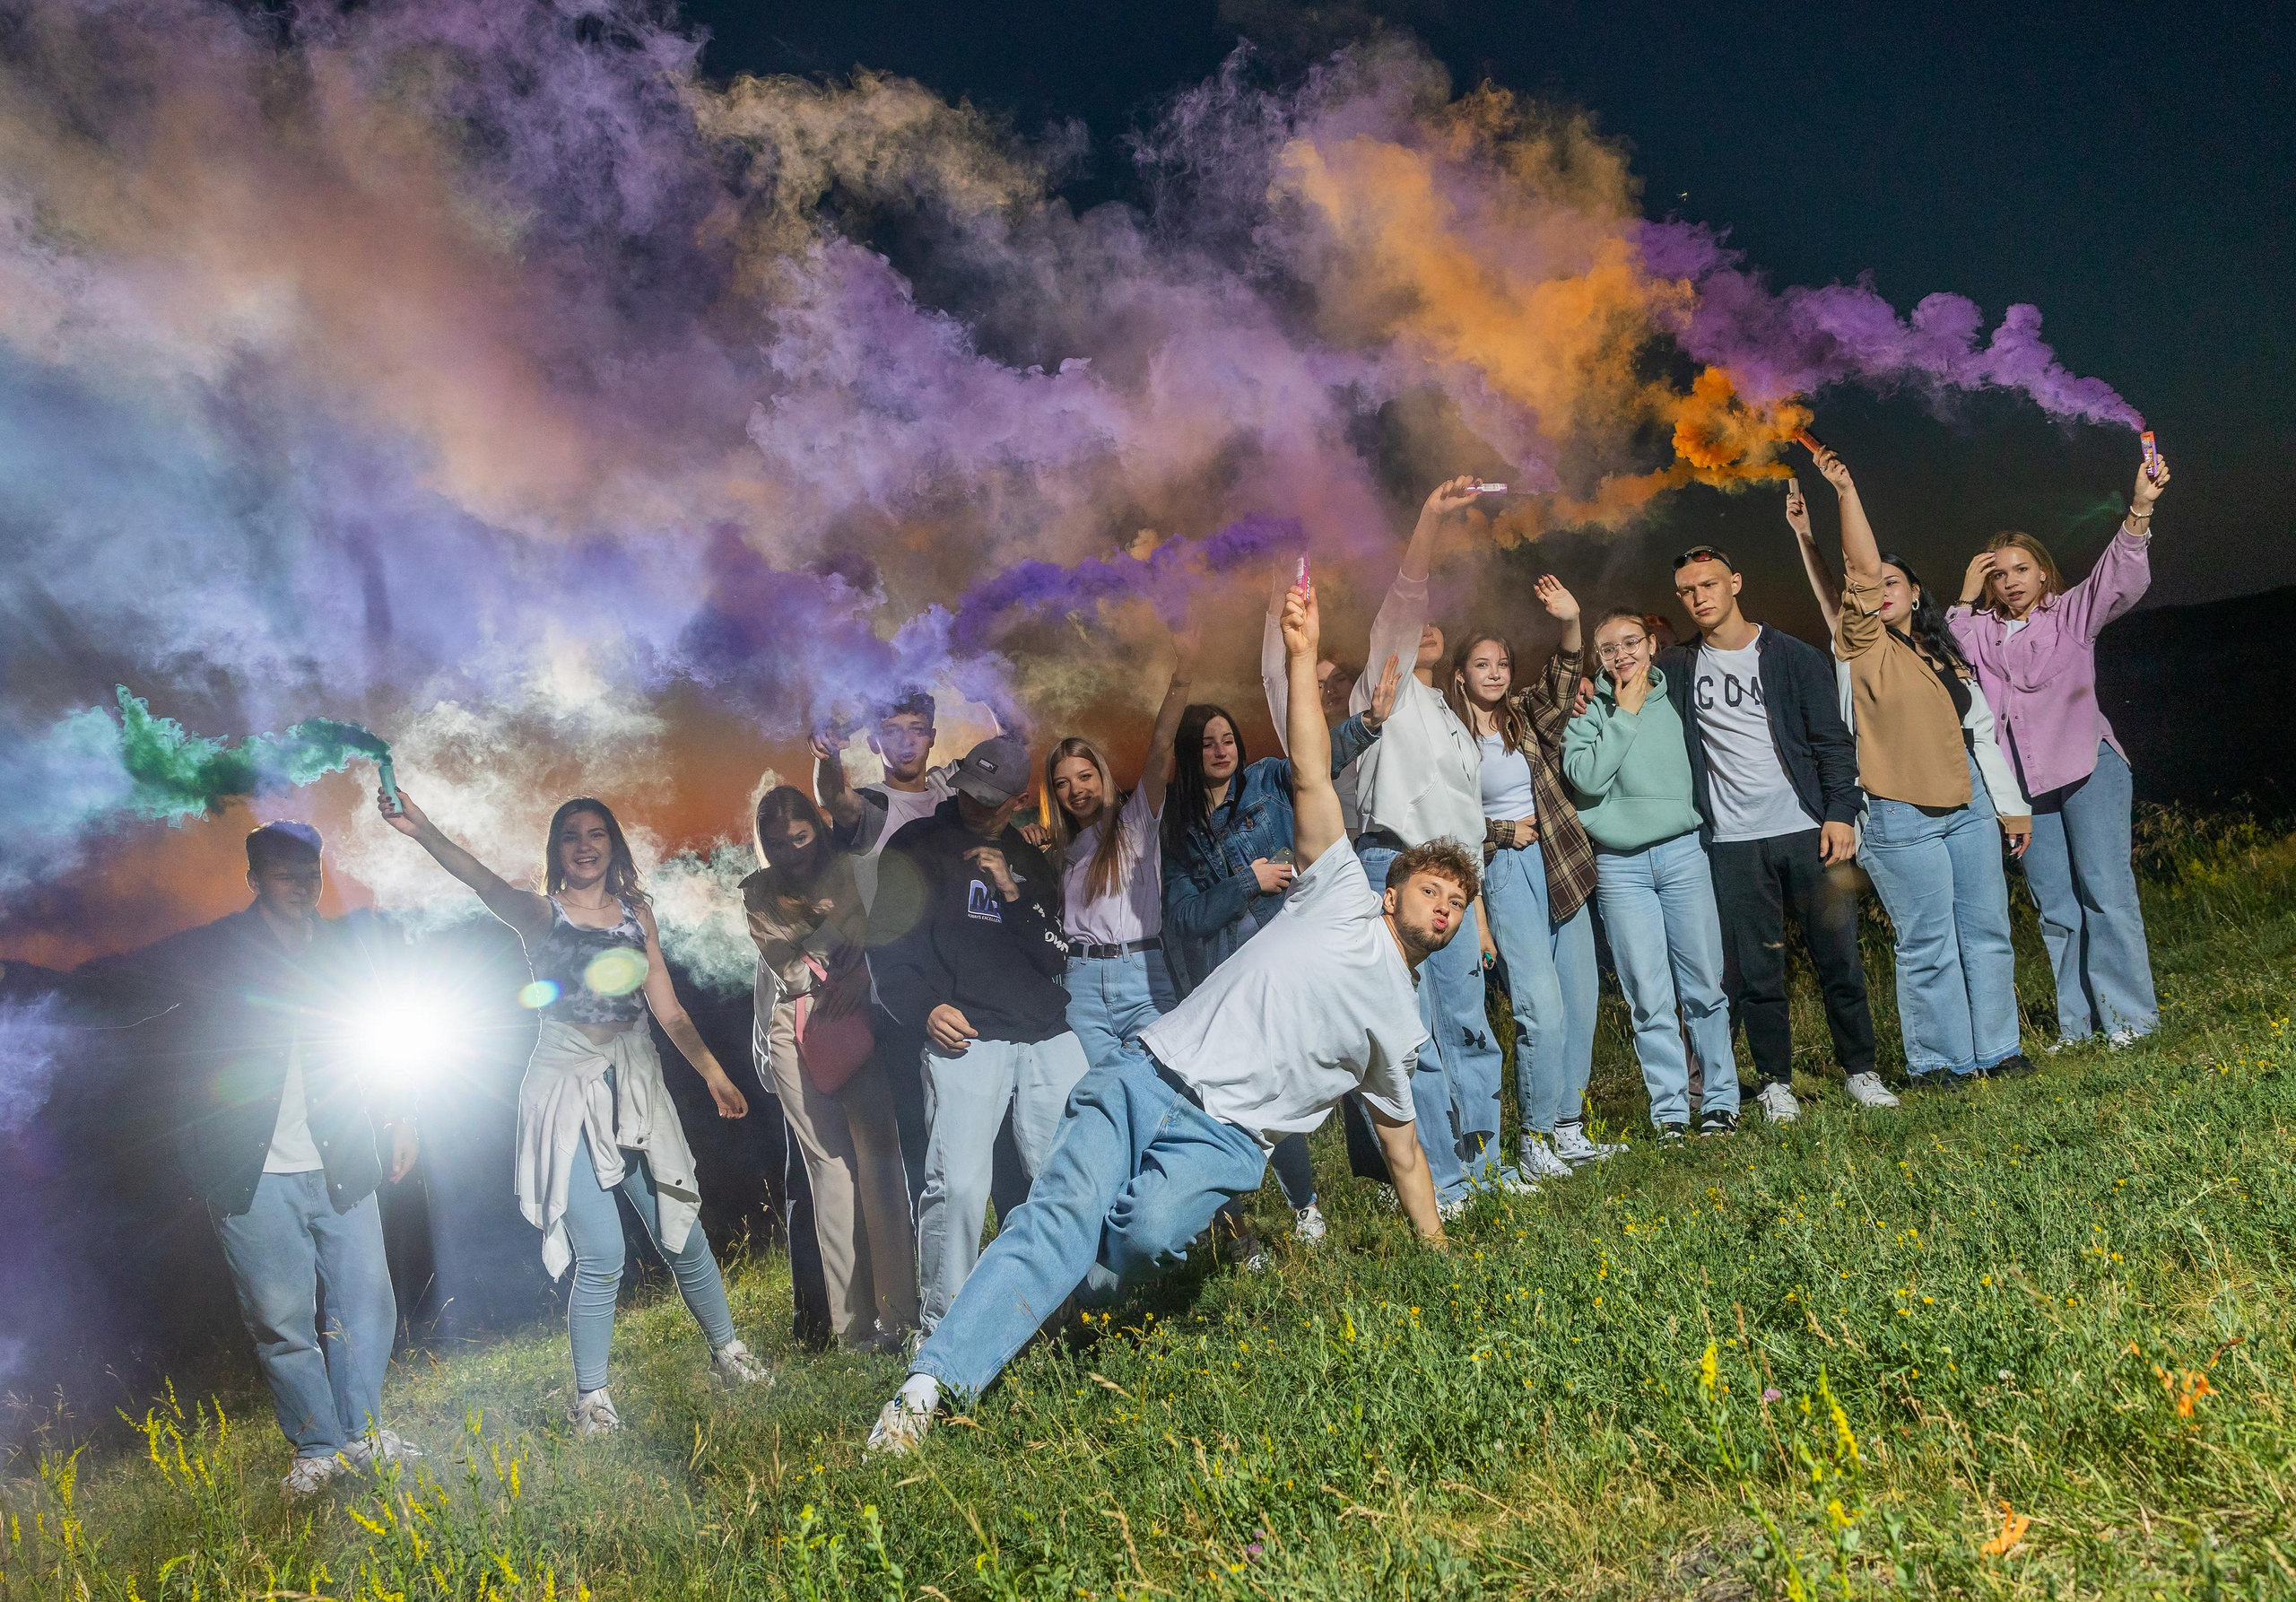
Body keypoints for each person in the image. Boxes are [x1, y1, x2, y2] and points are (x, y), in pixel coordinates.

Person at [867, 575, 1461, 1455]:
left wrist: (1440, 1259)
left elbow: (1404, 1149)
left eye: (1456, 901)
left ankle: (1058, 1316)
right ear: (1393, 890)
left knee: (1138, 1237)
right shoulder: (1338, 891)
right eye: (1430, 888)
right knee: (1058, 1211)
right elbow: (1306, 771)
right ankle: (928, 1388)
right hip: (1151, 1070)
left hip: (1225, 1140)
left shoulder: (1400, 1024)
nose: (1442, 906)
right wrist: (1299, 657)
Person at [380, 788, 767, 1433]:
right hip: (566, 1091)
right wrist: (423, 830)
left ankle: (729, 1352)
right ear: (557, 852)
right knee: (604, 1253)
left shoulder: (637, 913)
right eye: (570, 837)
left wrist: (714, 1074)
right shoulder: (541, 913)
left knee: (681, 1228)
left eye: (595, 834)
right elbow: (479, 879)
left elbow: (666, 1009)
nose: (584, 846)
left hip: (635, 1087)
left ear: (612, 843)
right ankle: (593, 1401)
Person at [147, 823, 421, 1496]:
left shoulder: (339, 952)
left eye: (310, 871)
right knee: (281, 1319)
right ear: (254, 881)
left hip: (343, 1155)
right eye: (284, 873)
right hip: (251, 1172)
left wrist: (399, 1115)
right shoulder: (219, 952)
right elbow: (161, 1033)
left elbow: (382, 1033)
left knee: (365, 1303)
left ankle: (362, 1434)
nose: (301, 885)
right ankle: (316, 1448)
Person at [1811, 446, 2035, 1086]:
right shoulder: (1862, 645)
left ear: (1914, 594)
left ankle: (1998, 1051)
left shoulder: (1945, 652)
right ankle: (1940, 1064)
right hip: (1899, 813)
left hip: (1968, 806)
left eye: (1894, 582)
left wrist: (2010, 806)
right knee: (1928, 945)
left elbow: (1981, 734)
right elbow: (1857, 570)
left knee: (1988, 933)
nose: (1880, 589)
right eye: (1873, 585)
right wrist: (1846, 493)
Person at [1165, 622, 1394, 1245]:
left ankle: (1391, 1181)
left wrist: (1368, 723)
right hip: (1246, 978)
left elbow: (1317, 763)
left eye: (1226, 738)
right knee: (1278, 1097)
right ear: (1192, 754)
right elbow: (1184, 914)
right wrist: (1247, 880)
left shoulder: (1266, 781)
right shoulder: (1180, 829)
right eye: (1208, 743)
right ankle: (1306, 1208)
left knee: (1356, 1063)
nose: (1221, 749)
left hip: (1301, 949)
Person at [1659, 544, 1892, 1119]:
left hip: (1808, 828)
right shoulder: (1678, 668)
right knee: (1757, 969)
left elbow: (1833, 743)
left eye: (1708, 584)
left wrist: (1840, 810)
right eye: (1687, 591)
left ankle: (1861, 1071)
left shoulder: (1793, 655)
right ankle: (1774, 1084)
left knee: (1838, 956)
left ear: (1735, 582)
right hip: (1732, 842)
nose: (1699, 598)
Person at [1949, 451, 2170, 1049]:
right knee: (2057, 909)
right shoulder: (1983, 632)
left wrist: (2140, 510)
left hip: (2089, 766)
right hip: (2027, 786)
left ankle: (2129, 1021)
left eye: (2021, 569)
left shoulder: (2071, 615)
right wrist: (1966, 594)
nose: (2011, 580)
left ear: (2043, 573)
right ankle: (2078, 1027)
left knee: (2105, 892)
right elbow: (1954, 646)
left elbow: (2115, 578)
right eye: (1999, 573)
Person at [867, 736, 1089, 1335]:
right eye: (969, 790)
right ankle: (944, 1335)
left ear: (1019, 800)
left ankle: (1066, 1311)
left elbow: (1054, 956)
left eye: (992, 800)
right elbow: (885, 948)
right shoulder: (914, 846)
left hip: (1045, 1034)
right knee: (959, 1186)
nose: (975, 806)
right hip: (964, 1034)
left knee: (1059, 1176)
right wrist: (923, 1009)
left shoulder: (1029, 857)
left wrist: (1013, 892)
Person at [1352, 475, 1526, 1202]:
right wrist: (1427, 515)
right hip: (1394, 865)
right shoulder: (1383, 691)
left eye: (1435, 628)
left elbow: (1462, 823)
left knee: (1468, 1026)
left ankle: (1485, 1165)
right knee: (1412, 1037)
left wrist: (1476, 908)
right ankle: (1443, 1180)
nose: (1424, 628)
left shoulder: (1453, 721)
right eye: (1412, 624)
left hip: (1455, 882)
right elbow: (1405, 596)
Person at [1441, 577, 1618, 1177]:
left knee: (1579, 1001)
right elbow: (1446, 816)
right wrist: (1498, 834)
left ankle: (1568, 1128)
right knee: (1539, 1008)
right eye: (1482, 664)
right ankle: (1533, 1139)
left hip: (1559, 863)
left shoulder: (1521, 712)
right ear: (1460, 673)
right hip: (1505, 873)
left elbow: (1565, 675)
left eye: (1502, 663)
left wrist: (1571, 620)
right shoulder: (1446, 734)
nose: (1495, 673)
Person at [743, 786, 917, 1354]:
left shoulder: (854, 868)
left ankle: (902, 1316)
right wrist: (844, 937)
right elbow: (788, 971)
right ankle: (852, 1329)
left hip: (858, 1019)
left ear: (817, 828)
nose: (793, 852)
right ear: (764, 846)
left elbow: (890, 938)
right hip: (793, 1029)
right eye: (777, 843)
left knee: (880, 1164)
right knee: (829, 1171)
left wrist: (863, 971)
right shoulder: (760, 891)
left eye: (801, 836)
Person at [1563, 610, 1744, 1139]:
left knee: (1705, 986)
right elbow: (1585, 777)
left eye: (1631, 643)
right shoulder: (1589, 711)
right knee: (1648, 994)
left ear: (1651, 645)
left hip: (1684, 853)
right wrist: (1622, 715)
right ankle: (1669, 1112)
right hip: (1620, 866)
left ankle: (1719, 1101)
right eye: (1608, 648)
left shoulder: (1679, 697)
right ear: (1597, 659)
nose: (1621, 655)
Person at [1046, 620, 1195, 1074]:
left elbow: (1160, 748)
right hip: (1080, 983)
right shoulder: (1060, 852)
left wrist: (1184, 671)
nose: (1076, 790)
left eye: (1085, 776)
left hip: (1141, 977)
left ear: (1103, 775)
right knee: (1099, 1100)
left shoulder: (1134, 822)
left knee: (1161, 1091)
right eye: (1063, 784)